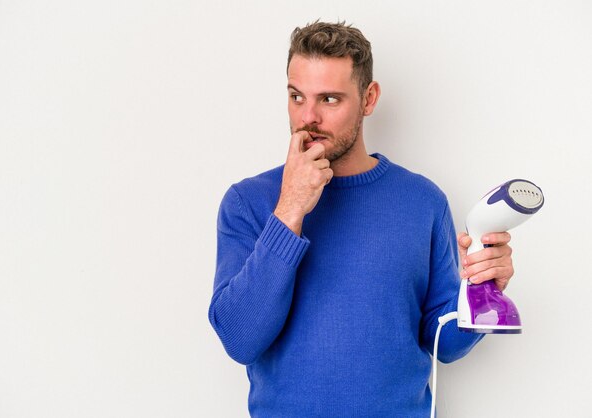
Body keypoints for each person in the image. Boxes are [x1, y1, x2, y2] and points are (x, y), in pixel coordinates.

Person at [208, 21, 514, 417]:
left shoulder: (422, 201)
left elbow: (443, 344)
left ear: (369, 99)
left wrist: (483, 291)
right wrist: (290, 209)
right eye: (296, 96)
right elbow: (240, 338)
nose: (308, 117)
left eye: (330, 100)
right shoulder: (247, 202)